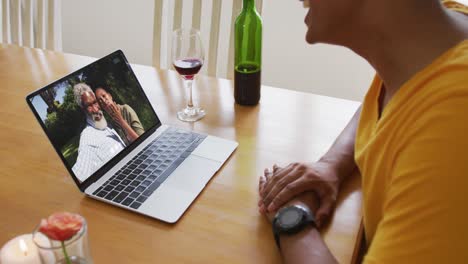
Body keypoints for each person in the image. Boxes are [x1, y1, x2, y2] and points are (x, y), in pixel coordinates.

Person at [258, 0, 468, 263]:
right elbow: (394, 96)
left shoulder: (454, 118)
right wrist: (330, 165)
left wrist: (292, 220)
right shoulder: (432, 40)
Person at [72, 83, 126, 182]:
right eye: (89, 105)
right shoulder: (87, 139)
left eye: (95, 102)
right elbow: (77, 178)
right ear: (82, 109)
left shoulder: (105, 124)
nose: (96, 109)